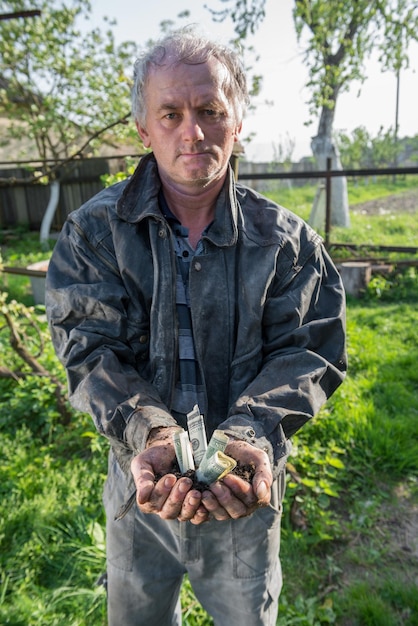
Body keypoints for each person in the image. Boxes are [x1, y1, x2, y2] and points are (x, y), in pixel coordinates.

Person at [45, 26, 347, 626]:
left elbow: (309, 351)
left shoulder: (287, 245)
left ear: (237, 123)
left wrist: (250, 434)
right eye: (172, 113)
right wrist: (151, 434)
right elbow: (90, 348)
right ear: (144, 129)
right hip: (142, 490)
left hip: (242, 496)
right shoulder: (93, 233)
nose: (193, 131)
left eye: (210, 110)